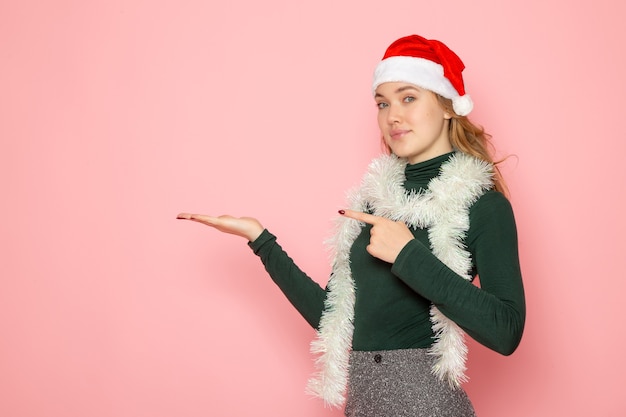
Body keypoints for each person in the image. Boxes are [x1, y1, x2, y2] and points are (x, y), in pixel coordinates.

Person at [177, 34, 525, 417]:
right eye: (382, 103)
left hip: (428, 406)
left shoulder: (483, 205)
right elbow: (335, 318)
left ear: (446, 106)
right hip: (362, 406)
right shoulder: (372, 202)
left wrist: (408, 254)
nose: (392, 115)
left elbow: (506, 331)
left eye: (408, 97)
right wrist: (261, 240)